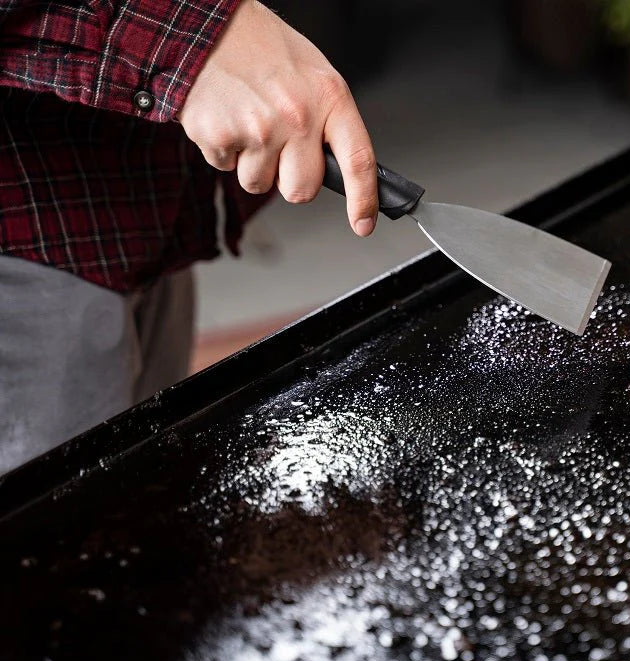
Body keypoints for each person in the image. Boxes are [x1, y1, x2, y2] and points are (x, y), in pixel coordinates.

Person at [0, 0, 379, 473]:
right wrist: (189, 34)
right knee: (63, 506)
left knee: (150, 477)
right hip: (21, 228)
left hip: (140, 194)